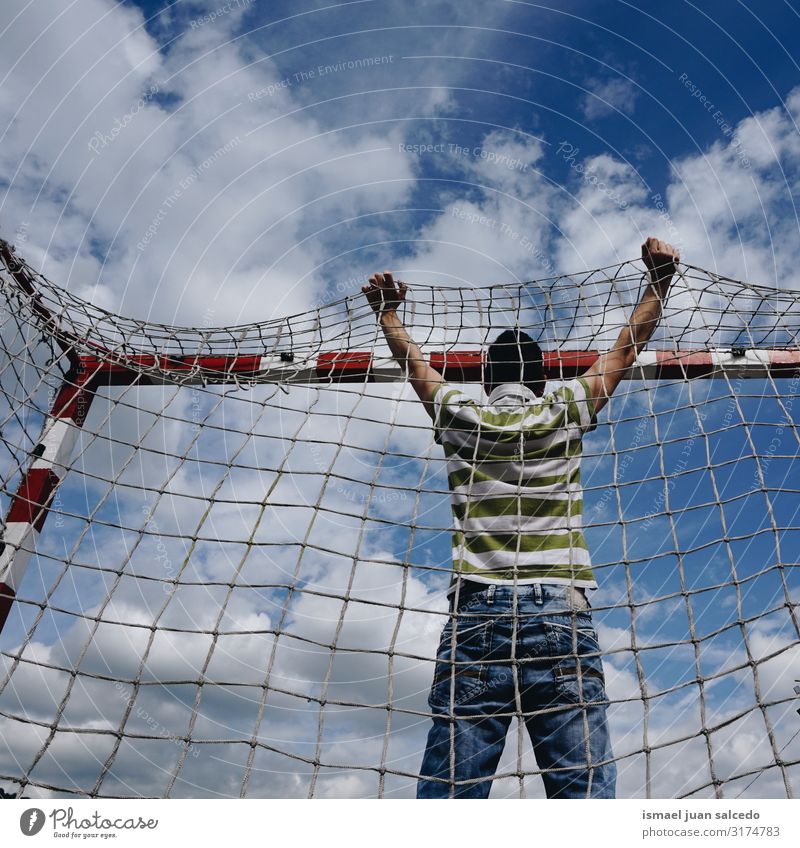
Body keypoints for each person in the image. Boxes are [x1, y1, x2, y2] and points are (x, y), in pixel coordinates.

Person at [361, 237, 680, 799]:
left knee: (451, 798)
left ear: (485, 380)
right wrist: (658, 283)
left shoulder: (459, 412)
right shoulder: (564, 407)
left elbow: (415, 365)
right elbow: (625, 351)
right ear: (540, 378)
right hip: (559, 609)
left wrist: (388, 313)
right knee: (582, 798)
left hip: (476, 613)